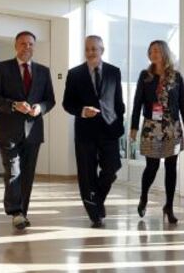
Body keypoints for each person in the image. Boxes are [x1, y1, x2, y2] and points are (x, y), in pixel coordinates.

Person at [0, 31, 55, 230]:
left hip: (33, 131)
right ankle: (15, 212)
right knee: (13, 171)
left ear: (34, 46)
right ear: (15, 45)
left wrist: (40, 108)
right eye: (22, 44)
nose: (26, 47)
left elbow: (50, 100)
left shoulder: (43, 71)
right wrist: (13, 105)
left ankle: (22, 213)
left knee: (27, 175)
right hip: (7, 130)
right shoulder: (1, 68)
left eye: (30, 44)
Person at [62, 35, 125, 228]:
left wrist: (119, 124)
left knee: (112, 168)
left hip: (109, 130)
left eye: (94, 49)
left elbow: (118, 102)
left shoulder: (114, 72)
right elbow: (67, 103)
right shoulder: (74, 74)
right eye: (87, 49)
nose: (90, 52)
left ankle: (97, 199)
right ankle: (94, 213)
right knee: (87, 173)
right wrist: (82, 111)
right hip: (85, 131)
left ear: (102, 50)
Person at [130, 40, 184, 224]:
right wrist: (134, 127)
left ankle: (169, 206)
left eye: (157, 50)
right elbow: (137, 103)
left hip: (172, 127)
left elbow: (183, 103)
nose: (153, 53)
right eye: (151, 51)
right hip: (151, 127)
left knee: (171, 167)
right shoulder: (145, 76)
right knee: (152, 166)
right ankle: (143, 197)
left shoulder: (176, 77)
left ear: (165, 53)